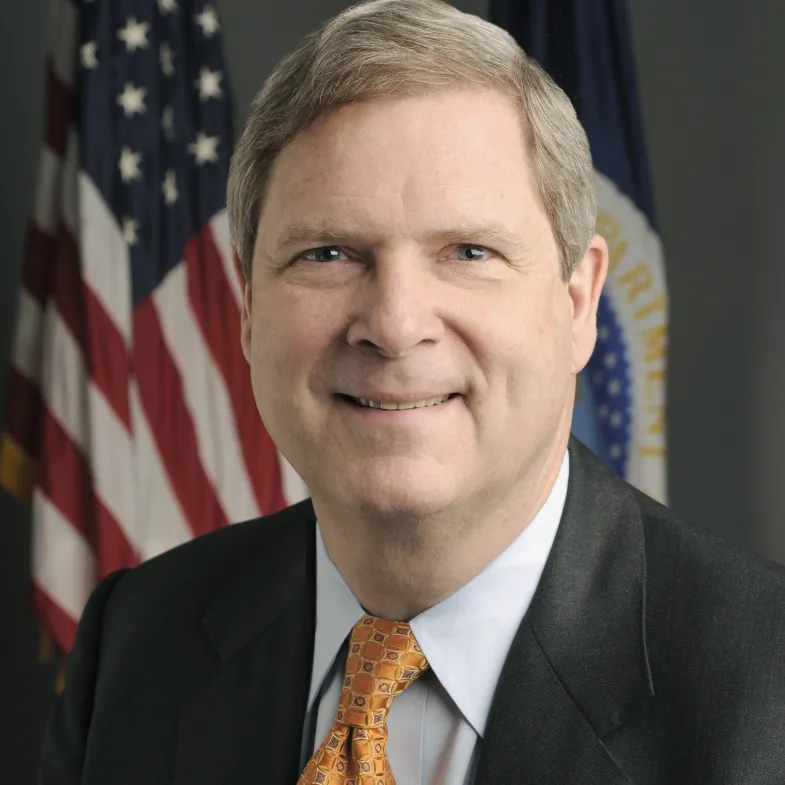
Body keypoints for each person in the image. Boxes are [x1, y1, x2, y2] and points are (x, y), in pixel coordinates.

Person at [40, 0, 785, 783]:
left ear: (576, 303)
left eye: (468, 251)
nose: (394, 326)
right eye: (327, 252)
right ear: (249, 307)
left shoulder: (764, 689)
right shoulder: (136, 643)